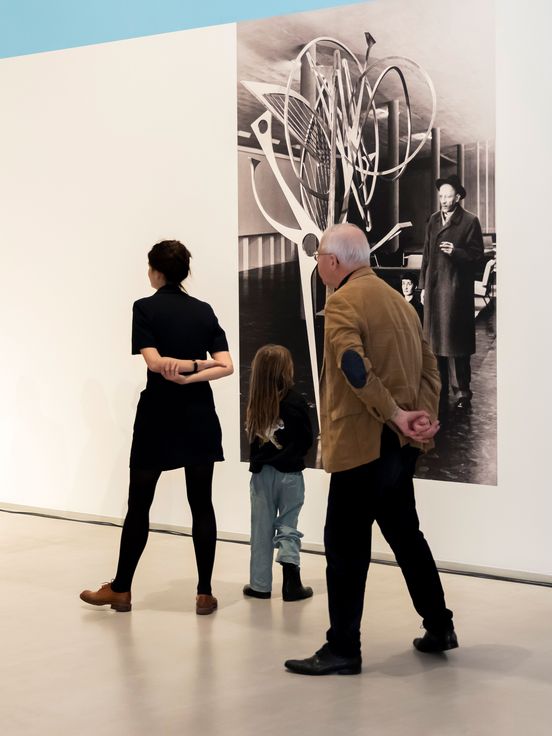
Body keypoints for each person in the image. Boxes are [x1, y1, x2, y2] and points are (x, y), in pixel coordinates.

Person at [284, 223, 456, 676]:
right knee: (406, 537)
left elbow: (352, 365)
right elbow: (430, 368)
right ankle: (440, 626)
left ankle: (343, 648)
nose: (318, 263)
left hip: (365, 445)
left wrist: (395, 414)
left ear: (334, 262)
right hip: (400, 447)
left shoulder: (341, 302)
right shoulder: (400, 304)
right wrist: (420, 418)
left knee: (344, 547)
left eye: (319, 255)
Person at [80, 240, 233, 616]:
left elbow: (154, 362)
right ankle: (203, 593)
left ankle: (121, 589)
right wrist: (195, 370)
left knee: (139, 505)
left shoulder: (145, 307)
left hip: (158, 415)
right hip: (198, 412)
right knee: (202, 504)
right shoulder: (203, 311)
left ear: (157, 271)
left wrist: (176, 368)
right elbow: (225, 365)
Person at [243, 344, 314, 601]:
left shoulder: (256, 404)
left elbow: (253, 441)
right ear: (287, 369)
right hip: (290, 475)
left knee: (260, 529)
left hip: (262, 475)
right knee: (288, 524)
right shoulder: (296, 401)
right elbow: (307, 438)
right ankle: (291, 582)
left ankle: (260, 585)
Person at [419, 174, 484, 410]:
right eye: (441, 196)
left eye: (448, 196)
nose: (444, 200)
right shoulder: (434, 220)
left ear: (458, 197)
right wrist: (422, 287)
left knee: (456, 345)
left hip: (456, 292)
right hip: (435, 290)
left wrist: (456, 252)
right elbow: (426, 255)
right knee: (435, 344)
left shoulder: (470, 221)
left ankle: (462, 393)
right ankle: (440, 388)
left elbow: (478, 257)